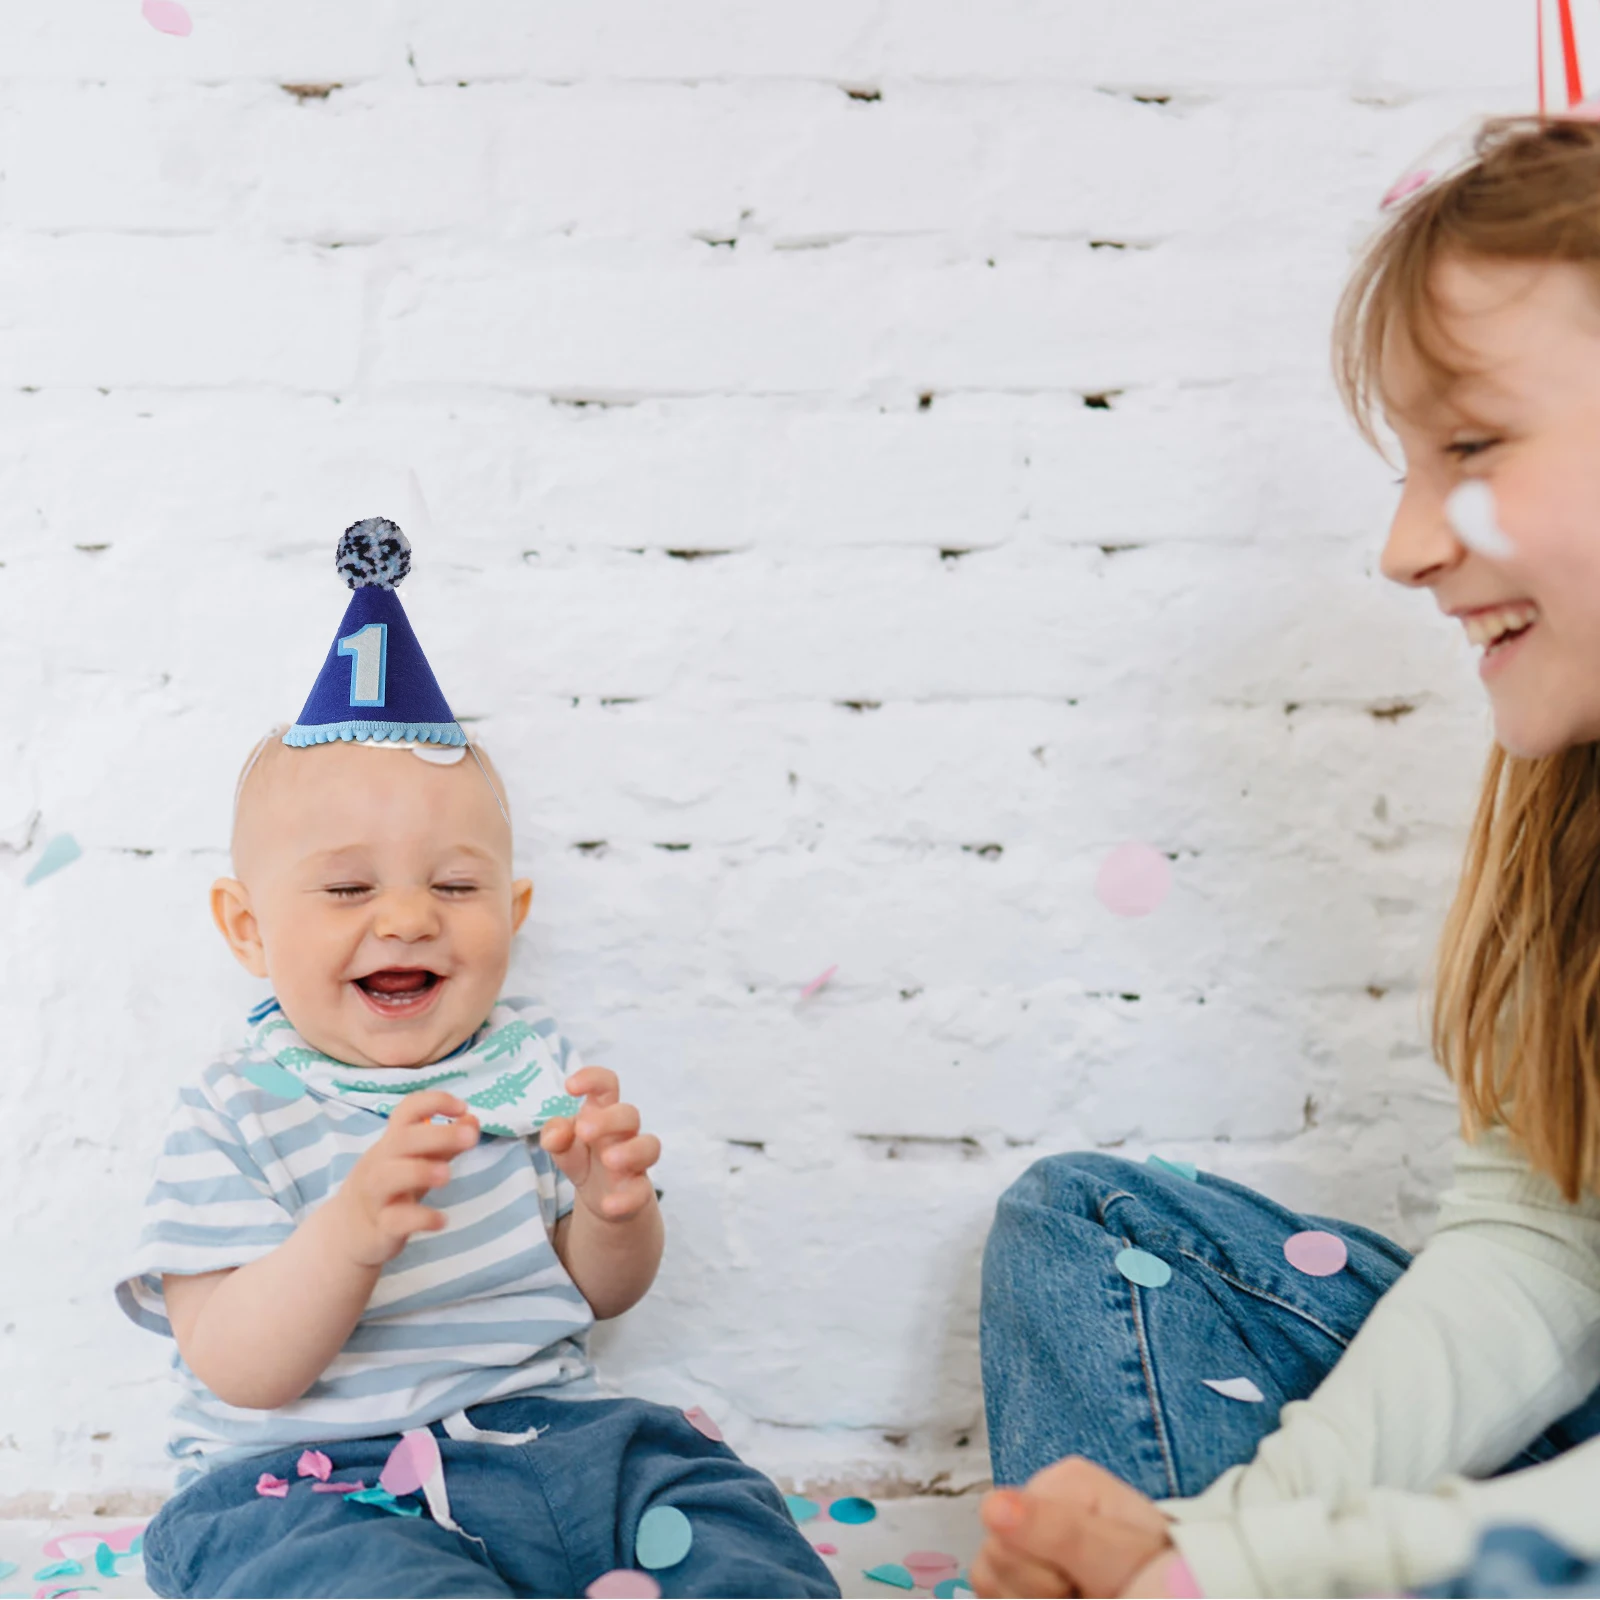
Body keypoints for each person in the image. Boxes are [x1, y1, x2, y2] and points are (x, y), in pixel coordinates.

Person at [973, 116, 1600, 1599]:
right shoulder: (1563, 809)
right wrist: (1223, 1540)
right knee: (1084, 1227)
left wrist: (1264, 1564)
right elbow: (1542, 1249)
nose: (1399, 548)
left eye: (1469, 445)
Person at [117, 521, 837, 1599]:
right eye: (349, 889)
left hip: (555, 1443)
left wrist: (611, 1215)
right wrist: (348, 1234)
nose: (406, 918)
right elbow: (238, 1364)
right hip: (310, 1489)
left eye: (453, 887)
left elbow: (594, 1296)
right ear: (248, 928)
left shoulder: (529, 1073)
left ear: (512, 910)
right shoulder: (238, 1110)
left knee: (717, 1511)